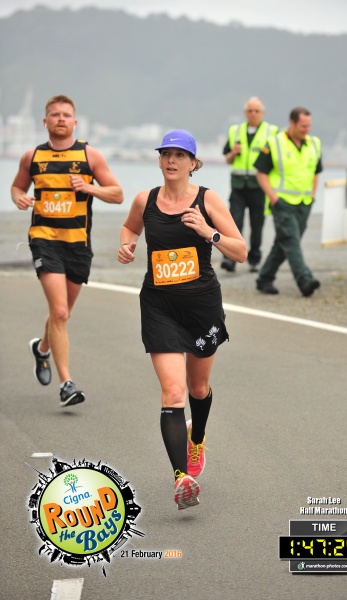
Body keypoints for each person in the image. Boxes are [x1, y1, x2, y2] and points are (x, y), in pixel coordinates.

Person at [118, 129, 247, 510]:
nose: (171, 160)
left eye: (180, 155)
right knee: (173, 392)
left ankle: (198, 437)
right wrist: (127, 244)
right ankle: (181, 477)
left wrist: (208, 233)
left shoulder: (208, 200)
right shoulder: (146, 200)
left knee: (198, 389)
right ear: (159, 161)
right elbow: (129, 228)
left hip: (201, 306)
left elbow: (240, 251)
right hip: (159, 305)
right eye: (165, 154)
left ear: (193, 163)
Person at [11, 94, 124, 407]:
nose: (60, 119)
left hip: (78, 244)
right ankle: (66, 383)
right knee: (59, 311)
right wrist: (18, 197)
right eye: (55, 115)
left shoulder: (90, 156)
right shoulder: (31, 157)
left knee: (64, 313)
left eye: (66, 115)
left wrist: (89, 187)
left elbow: (117, 194)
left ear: (75, 122)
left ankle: (42, 348)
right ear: (45, 122)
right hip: (44, 238)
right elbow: (17, 186)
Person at [254, 107, 322, 297]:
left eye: (308, 126)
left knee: (285, 242)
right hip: (282, 203)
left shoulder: (314, 144)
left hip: (305, 203)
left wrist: (313, 196)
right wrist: (274, 198)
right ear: (292, 123)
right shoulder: (274, 143)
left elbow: (316, 172)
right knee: (291, 240)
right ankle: (304, 279)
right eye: (302, 126)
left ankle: (264, 278)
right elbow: (261, 173)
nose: (306, 129)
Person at [221, 96, 278, 273]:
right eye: (250, 111)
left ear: (262, 113)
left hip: (259, 187)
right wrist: (233, 152)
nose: (253, 114)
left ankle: (254, 260)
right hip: (238, 186)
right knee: (233, 223)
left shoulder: (272, 132)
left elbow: (276, 160)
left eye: (257, 111)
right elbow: (227, 158)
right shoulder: (235, 131)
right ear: (245, 112)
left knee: (257, 224)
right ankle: (230, 259)